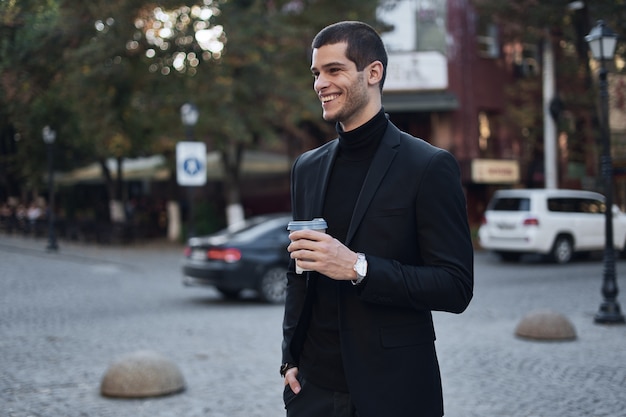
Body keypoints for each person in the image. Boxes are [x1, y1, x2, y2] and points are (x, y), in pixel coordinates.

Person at [280, 21, 474, 417]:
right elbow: (297, 274)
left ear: (373, 73)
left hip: (394, 391)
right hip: (312, 393)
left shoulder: (428, 166)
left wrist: (357, 267)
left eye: (334, 70)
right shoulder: (306, 167)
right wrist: (289, 358)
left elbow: (455, 287)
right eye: (316, 73)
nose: (320, 83)